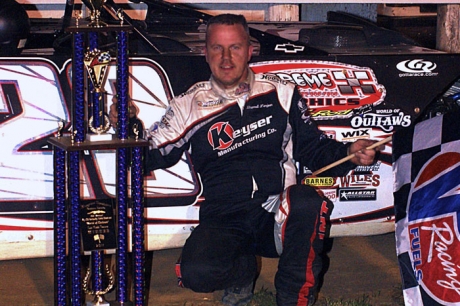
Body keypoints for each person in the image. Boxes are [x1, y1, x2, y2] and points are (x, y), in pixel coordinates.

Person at [110, 14, 382, 306]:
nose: (226, 58)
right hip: (223, 218)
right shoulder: (187, 105)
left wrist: (351, 153)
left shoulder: (282, 93)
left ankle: (293, 299)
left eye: (235, 47)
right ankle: (242, 273)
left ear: (250, 49)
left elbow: (313, 151)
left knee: (307, 202)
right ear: (205, 51)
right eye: (217, 48)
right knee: (196, 274)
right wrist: (127, 130)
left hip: (274, 213)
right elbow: (148, 158)